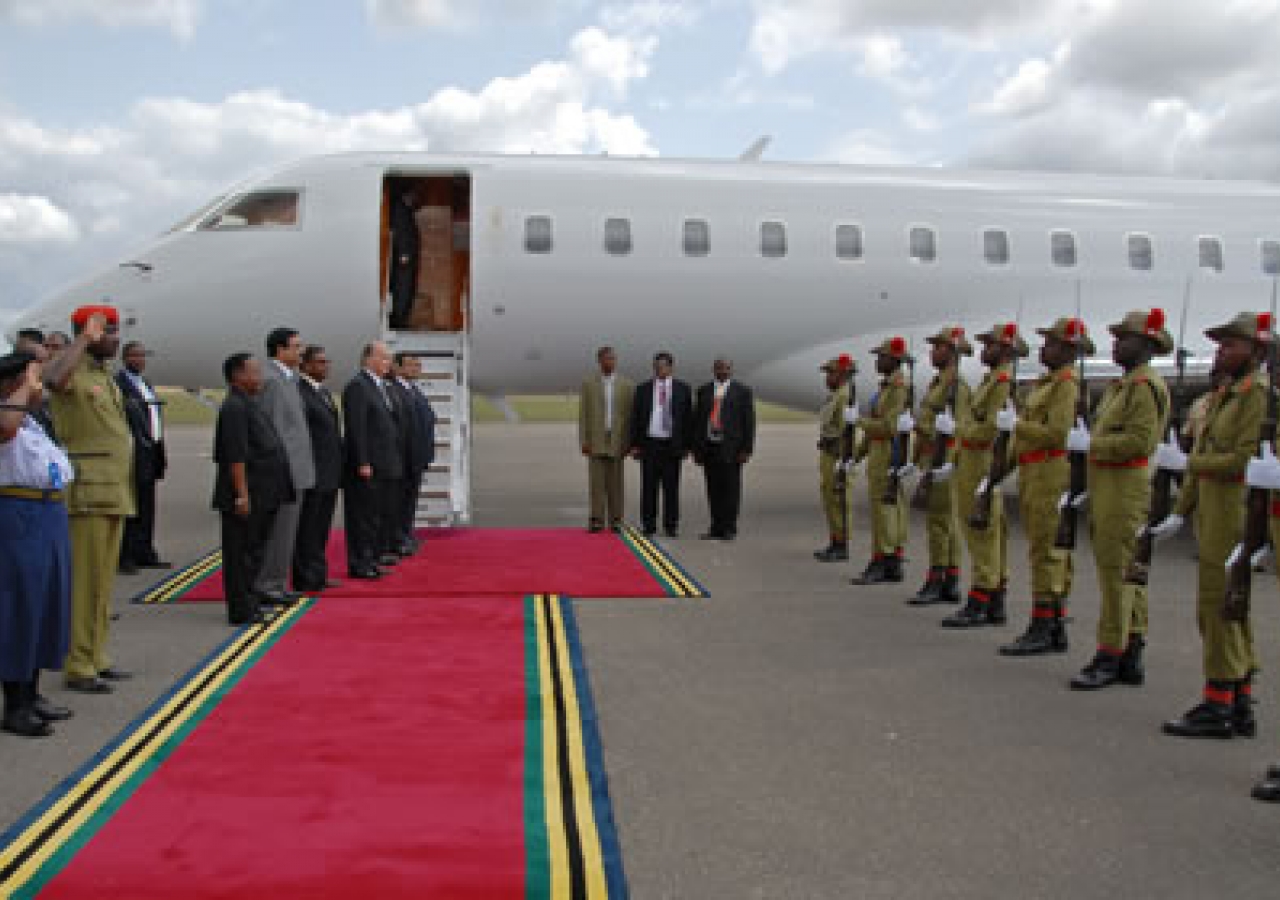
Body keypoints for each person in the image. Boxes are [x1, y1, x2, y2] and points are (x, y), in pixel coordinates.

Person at [1148, 312, 1269, 740]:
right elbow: (1204, 454)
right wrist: (1181, 509)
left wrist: (1189, 463)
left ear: (1256, 352)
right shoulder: (1225, 396)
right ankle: (1237, 697)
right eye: (1220, 346)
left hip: (1234, 511)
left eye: (1231, 346)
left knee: (1222, 609)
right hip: (1212, 511)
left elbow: (1241, 460)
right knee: (1223, 609)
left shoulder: (1257, 397)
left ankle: (1220, 701)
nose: (1221, 353)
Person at [1071, 309, 1172, 689]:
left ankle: (1110, 654)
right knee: (1128, 574)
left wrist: (1092, 443)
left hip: (1125, 490)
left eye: (1124, 338)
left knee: (1117, 575)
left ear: (1146, 345)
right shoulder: (1124, 385)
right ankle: (1132, 649)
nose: (1116, 344)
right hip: (1111, 487)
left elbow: (1140, 442)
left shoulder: (1145, 387)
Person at [45, 306, 135, 694]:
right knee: (84, 583)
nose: (116, 338)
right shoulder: (71, 371)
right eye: (109, 331)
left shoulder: (104, 377)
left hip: (113, 489)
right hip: (88, 492)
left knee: (102, 583)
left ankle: (96, 654)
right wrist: (82, 339)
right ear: (90, 332)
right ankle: (78, 664)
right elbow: (51, 379)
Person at [997, 318, 1089, 656]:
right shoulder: (1047, 383)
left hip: (1051, 472)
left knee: (1049, 552)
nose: (1043, 348)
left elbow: (1057, 433)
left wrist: (1019, 426)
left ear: (1068, 349)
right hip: (1035, 472)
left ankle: (1045, 625)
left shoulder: (1066, 385)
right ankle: (1052, 624)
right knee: (1042, 550)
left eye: (1051, 343)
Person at [0, 352, 75, 736]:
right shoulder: (8, 417)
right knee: (20, 606)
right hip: (18, 515)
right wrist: (23, 386)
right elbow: (6, 429)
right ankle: (14, 704)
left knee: (46, 605)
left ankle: (31, 693)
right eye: (33, 379)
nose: (39, 386)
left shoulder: (33, 421)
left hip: (48, 515)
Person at [942, 322, 1026, 629]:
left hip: (981, 461)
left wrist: (961, 429)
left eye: (990, 345)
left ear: (1004, 350)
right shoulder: (992, 380)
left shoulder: (1002, 382)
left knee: (981, 531)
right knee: (983, 530)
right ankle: (994, 597)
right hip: (973, 460)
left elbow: (991, 428)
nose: (983, 350)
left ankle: (982, 597)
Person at [213, 354, 293, 625]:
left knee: (254, 552)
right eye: (254, 373)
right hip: (248, 495)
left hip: (263, 493)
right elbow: (236, 457)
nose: (259, 378)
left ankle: (251, 601)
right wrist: (242, 494)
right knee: (241, 556)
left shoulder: (250, 403)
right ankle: (241, 609)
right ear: (238, 376)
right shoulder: (234, 407)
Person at [908, 327, 973, 606]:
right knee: (941, 522)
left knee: (941, 523)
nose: (933, 352)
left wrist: (944, 463)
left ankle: (941, 580)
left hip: (943, 460)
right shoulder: (940, 385)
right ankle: (948, 579)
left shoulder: (957, 387)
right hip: (932, 457)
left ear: (953, 353)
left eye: (939, 347)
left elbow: (958, 429)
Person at [253, 327, 314, 605]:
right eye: (296, 346)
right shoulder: (272, 381)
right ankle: (268, 584)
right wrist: (282, 471)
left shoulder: (288, 379)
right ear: (280, 350)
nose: (301, 351)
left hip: (296, 470)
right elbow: (275, 431)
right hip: (284, 472)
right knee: (278, 532)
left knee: (287, 532)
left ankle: (277, 581)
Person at [851, 337, 912, 585]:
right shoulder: (887, 387)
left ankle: (884, 560)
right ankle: (890, 561)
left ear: (893, 360)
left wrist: (859, 421)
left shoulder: (898, 388)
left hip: (888, 454)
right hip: (878, 453)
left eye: (882, 357)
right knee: (882, 510)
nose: (877, 361)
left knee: (886, 511)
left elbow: (889, 427)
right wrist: (855, 455)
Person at [342, 342, 404, 579]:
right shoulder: (358, 387)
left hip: (386, 463)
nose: (388, 363)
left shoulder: (382, 386)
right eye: (384, 358)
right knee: (363, 517)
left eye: (389, 359)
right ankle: (360, 563)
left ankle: (372, 558)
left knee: (377, 515)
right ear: (369, 359)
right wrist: (362, 461)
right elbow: (357, 429)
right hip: (369, 465)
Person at [291, 345, 344, 594]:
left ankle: (318, 572)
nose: (326, 367)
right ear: (306, 365)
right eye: (320, 362)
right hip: (313, 473)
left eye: (327, 361)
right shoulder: (300, 392)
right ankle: (305, 577)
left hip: (329, 472)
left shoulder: (322, 392)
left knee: (321, 528)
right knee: (308, 529)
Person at [115, 341, 169, 573]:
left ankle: (145, 551)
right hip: (135, 449)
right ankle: (126, 555)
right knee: (132, 505)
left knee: (147, 505)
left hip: (152, 448)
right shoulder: (119, 383)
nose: (139, 360)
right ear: (125, 358)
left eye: (142, 356)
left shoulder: (145, 383)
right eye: (134, 356)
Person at [630, 351, 694, 538]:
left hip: (672, 446)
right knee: (648, 487)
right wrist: (634, 444)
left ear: (671, 367)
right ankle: (649, 524)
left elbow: (688, 420)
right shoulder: (643, 389)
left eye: (664, 366)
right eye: (657, 366)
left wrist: (687, 446)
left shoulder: (683, 389)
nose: (660, 369)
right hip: (650, 445)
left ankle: (671, 524)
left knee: (671, 488)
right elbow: (635, 418)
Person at [692, 357, 756, 541]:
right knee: (713, 489)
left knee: (731, 490)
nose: (723, 371)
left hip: (732, 448)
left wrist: (746, 449)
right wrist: (697, 449)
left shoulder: (742, 391)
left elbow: (748, 422)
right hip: (709, 447)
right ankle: (715, 527)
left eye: (726, 368)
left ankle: (729, 528)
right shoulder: (703, 391)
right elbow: (697, 421)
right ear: (714, 370)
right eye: (719, 368)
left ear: (731, 370)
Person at [579, 346, 634, 533]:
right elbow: (583, 415)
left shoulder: (626, 385)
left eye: (612, 359)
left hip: (617, 439)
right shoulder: (589, 383)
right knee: (596, 483)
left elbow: (629, 417)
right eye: (605, 359)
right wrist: (584, 440)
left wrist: (628, 443)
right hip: (596, 438)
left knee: (616, 483)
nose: (609, 362)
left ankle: (616, 520)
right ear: (599, 361)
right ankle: (596, 519)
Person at [390, 352, 437, 555]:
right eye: (411, 365)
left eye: (418, 365)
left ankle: (406, 534)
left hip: (416, 457)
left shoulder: (413, 390)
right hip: (404, 458)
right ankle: (398, 539)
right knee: (398, 502)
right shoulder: (395, 390)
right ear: (398, 368)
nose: (417, 368)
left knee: (409, 501)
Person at [814, 355, 857, 562]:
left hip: (838, 455)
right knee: (830, 500)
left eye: (831, 373)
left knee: (840, 501)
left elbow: (846, 432)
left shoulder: (845, 396)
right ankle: (835, 541)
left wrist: (844, 460)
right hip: (829, 454)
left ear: (842, 375)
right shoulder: (835, 395)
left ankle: (842, 545)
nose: (827, 377)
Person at [388, 182, 422, 330]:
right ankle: (398, 321)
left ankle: (401, 319)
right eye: (414, 195)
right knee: (403, 289)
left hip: (407, 259)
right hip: (404, 259)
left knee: (406, 290)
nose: (416, 198)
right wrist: (404, 254)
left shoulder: (405, 209)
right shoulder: (400, 209)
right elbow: (401, 232)